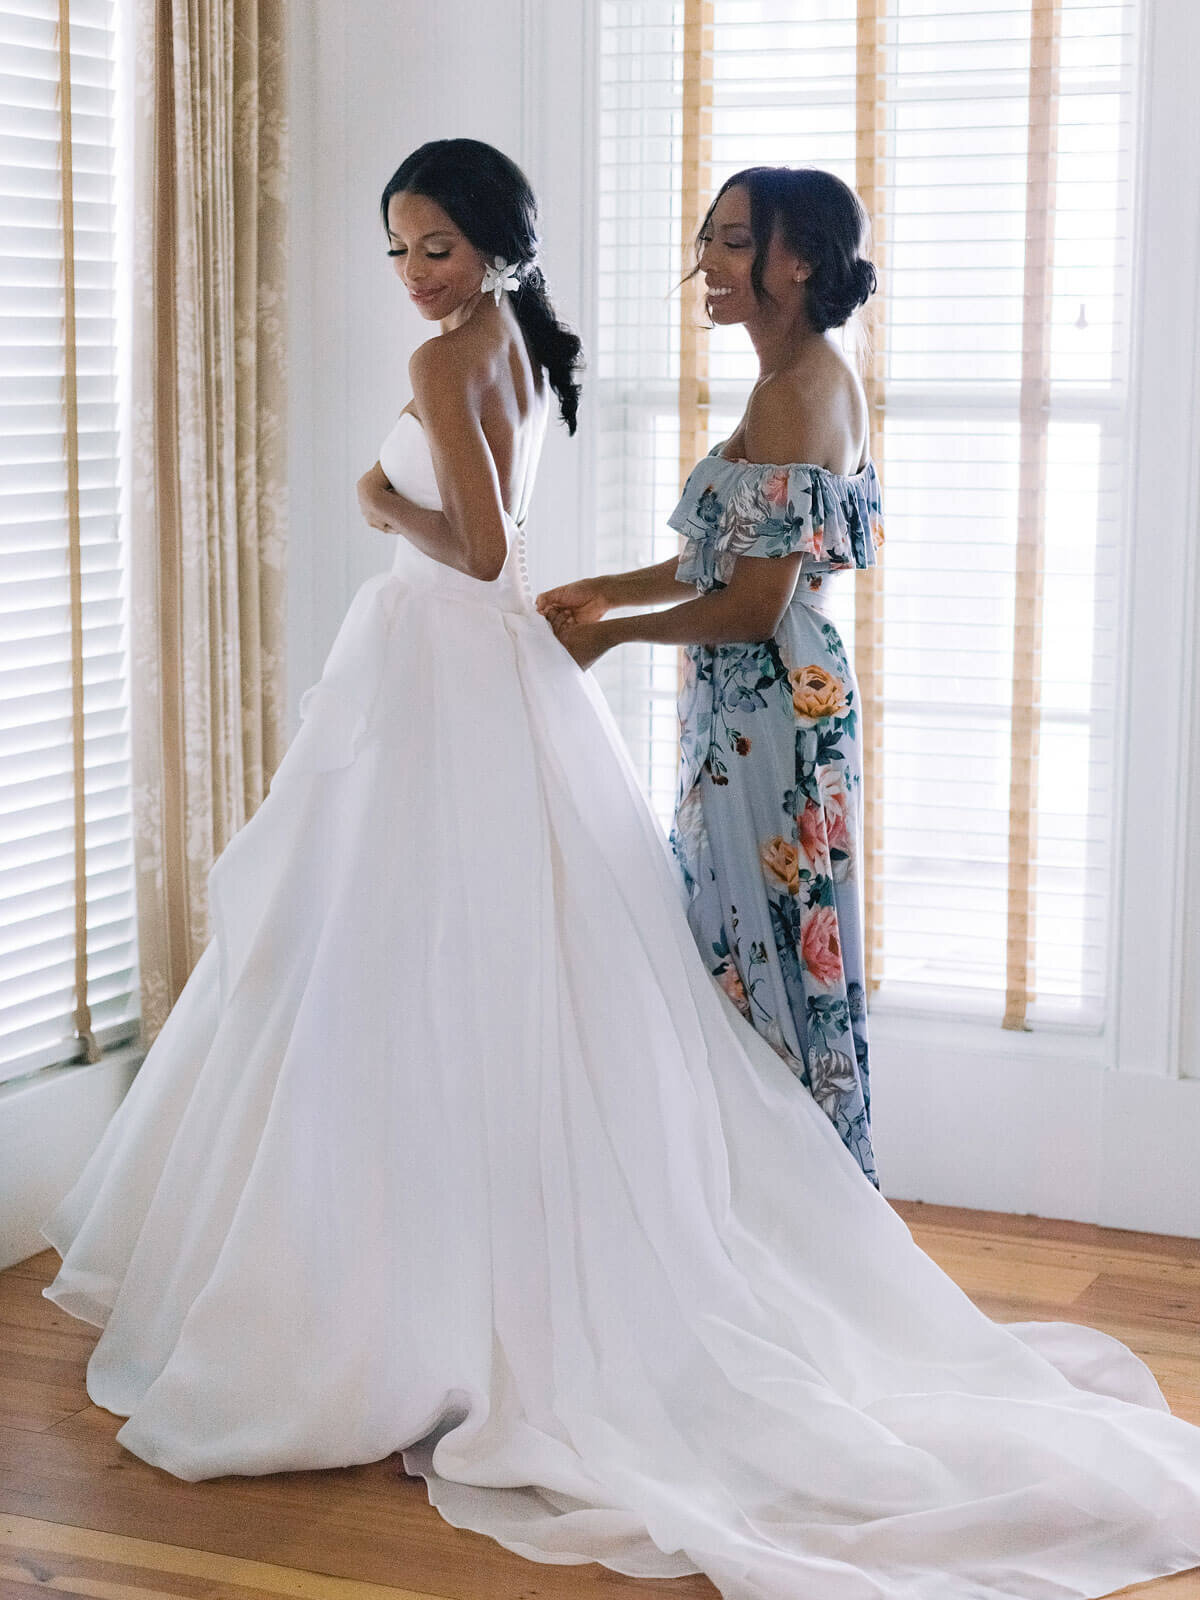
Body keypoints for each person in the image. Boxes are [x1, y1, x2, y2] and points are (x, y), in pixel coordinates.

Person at [42, 140, 1200, 1600]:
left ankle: (762, 1258)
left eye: (437, 248)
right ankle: (765, 1242)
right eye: (397, 248)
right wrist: (606, 596)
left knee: (738, 991)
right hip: (739, 715)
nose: (414, 275)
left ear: (793, 258)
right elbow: (692, 559)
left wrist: (404, 519)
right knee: (684, 989)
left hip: (762, 727)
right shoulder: (591, 355)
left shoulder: (730, 383)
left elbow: (520, 557)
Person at [539, 167, 880, 1184]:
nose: (708, 262)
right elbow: (721, 560)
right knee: (740, 947)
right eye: (708, 238)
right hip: (755, 701)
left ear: (800, 259)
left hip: (770, 706)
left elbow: (749, 606)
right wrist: (605, 586)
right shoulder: (786, 378)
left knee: (760, 956)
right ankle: (761, 1210)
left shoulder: (800, 392)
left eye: (736, 241)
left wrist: (611, 639)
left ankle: (785, 1212)